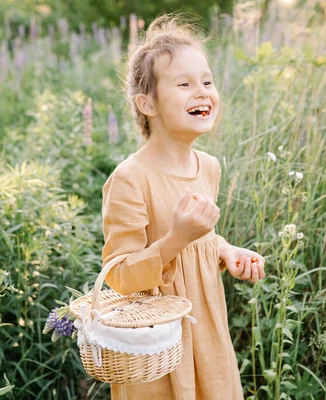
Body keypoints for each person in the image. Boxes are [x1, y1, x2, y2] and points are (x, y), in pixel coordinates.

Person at [101, 13, 266, 400]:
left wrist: (225, 250)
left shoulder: (208, 167)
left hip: (206, 331)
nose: (202, 92)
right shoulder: (131, 179)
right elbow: (118, 275)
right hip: (157, 344)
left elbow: (201, 237)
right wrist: (176, 238)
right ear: (148, 104)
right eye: (184, 84)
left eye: (207, 81)